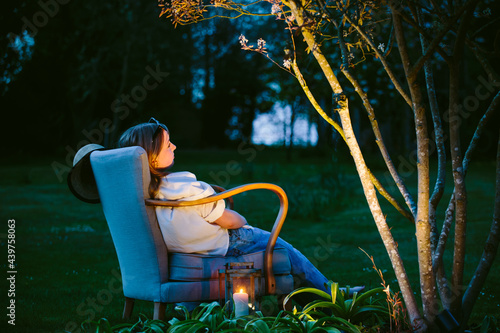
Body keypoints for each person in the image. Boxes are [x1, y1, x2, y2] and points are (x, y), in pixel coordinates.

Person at [117, 117, 331, 294]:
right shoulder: (185, 188)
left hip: (185, 249)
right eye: (167, 144)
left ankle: (314, 297)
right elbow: (230, 221)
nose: (175, 146)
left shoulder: (144, 191)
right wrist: (239, 220)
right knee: (284, 249)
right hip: (226, 242)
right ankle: (330, 295)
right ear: (153, 159)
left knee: (282, 255)